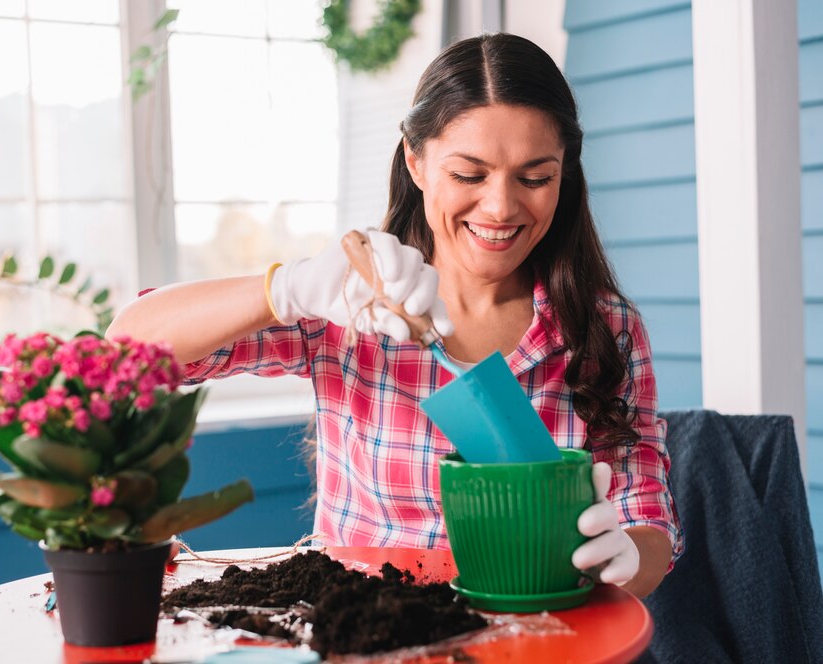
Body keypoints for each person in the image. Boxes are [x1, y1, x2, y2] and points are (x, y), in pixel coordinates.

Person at [108, 32, 682, 598]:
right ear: (416, 160)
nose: (502, 207)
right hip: (367, 630)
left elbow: (646, 515)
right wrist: (285, 289)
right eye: (469, 174)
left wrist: (627, 556)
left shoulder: (604, 328)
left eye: (536, 178)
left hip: (540, 638)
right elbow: (123, 349)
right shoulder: (351, 302)